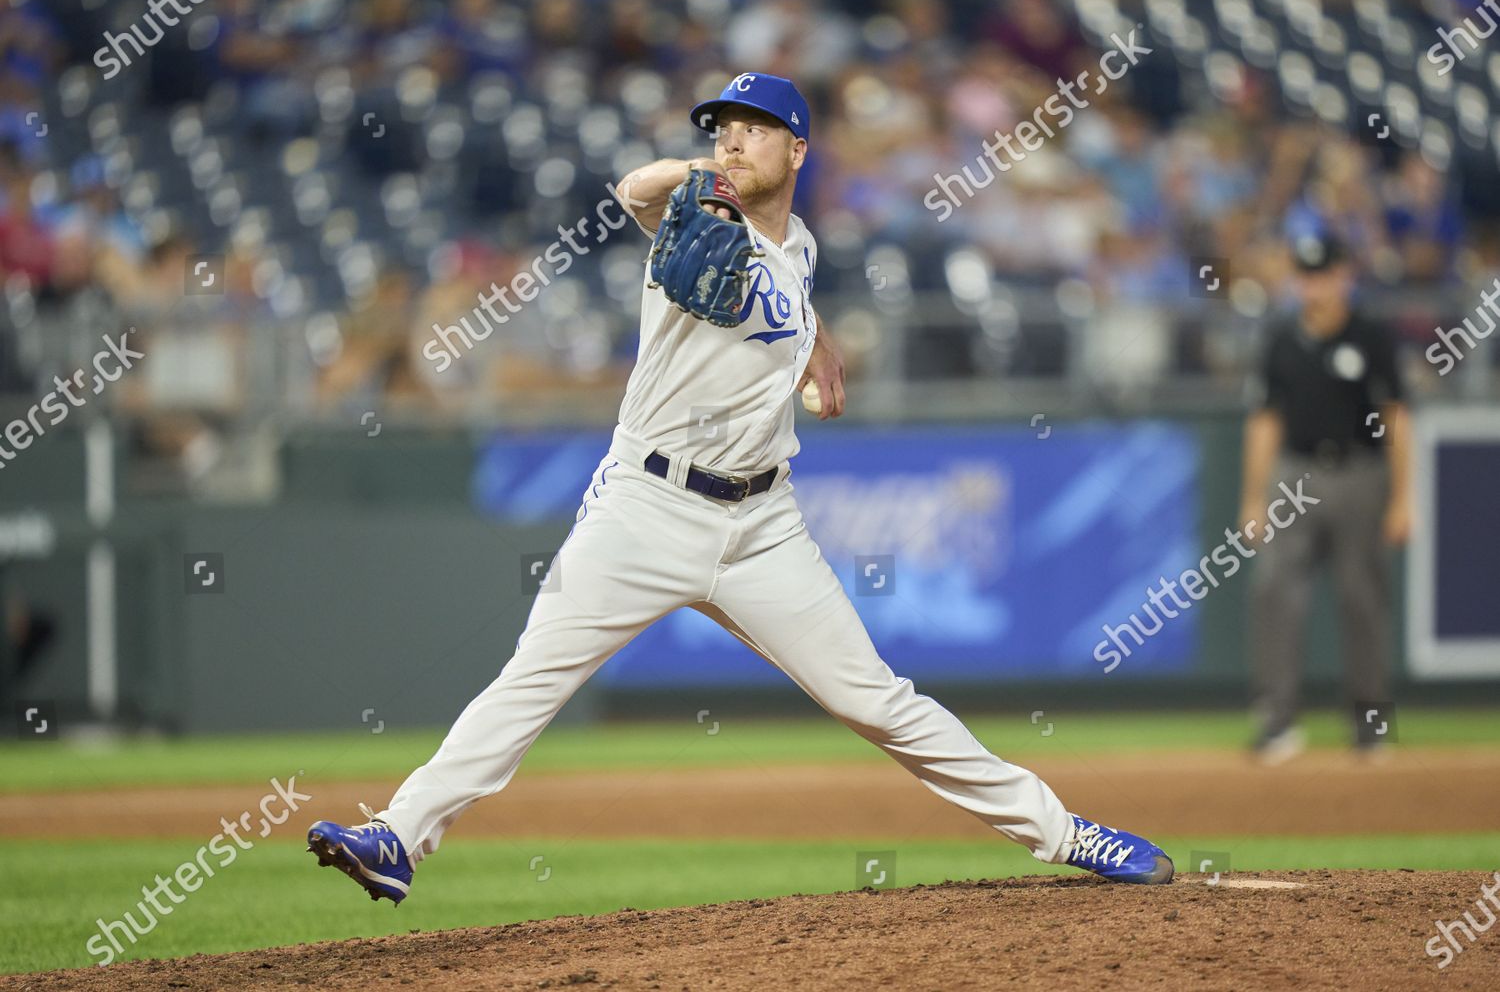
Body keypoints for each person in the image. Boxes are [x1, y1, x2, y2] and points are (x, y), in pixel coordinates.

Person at [307, 73, 1173, 904]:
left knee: (878, 702)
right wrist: (700, 173)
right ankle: (398, 837)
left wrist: (821, 338)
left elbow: (785, 276)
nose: (731, 136)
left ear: (798, 149)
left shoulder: (799, 246)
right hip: (643, 506)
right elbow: (633, 189)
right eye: (722, 125)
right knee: (528, 680)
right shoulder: (691, 209)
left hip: (763, 522)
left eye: (753, 126)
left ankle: (1064, 835)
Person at [1240, 232, 1411, 764]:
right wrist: (1252, 497)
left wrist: (1404, 497)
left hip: (1360, 470)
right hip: (1295, 474)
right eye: (1305, 274)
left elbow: (1397, 418)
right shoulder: (1281, 337)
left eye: (1323, 274)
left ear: (1345, 276)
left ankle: (1371, 724)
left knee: (1363, 600)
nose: (1313, 285)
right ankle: (1277, 720)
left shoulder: (1371, 335)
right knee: (1276, 592)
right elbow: (1265, 420)